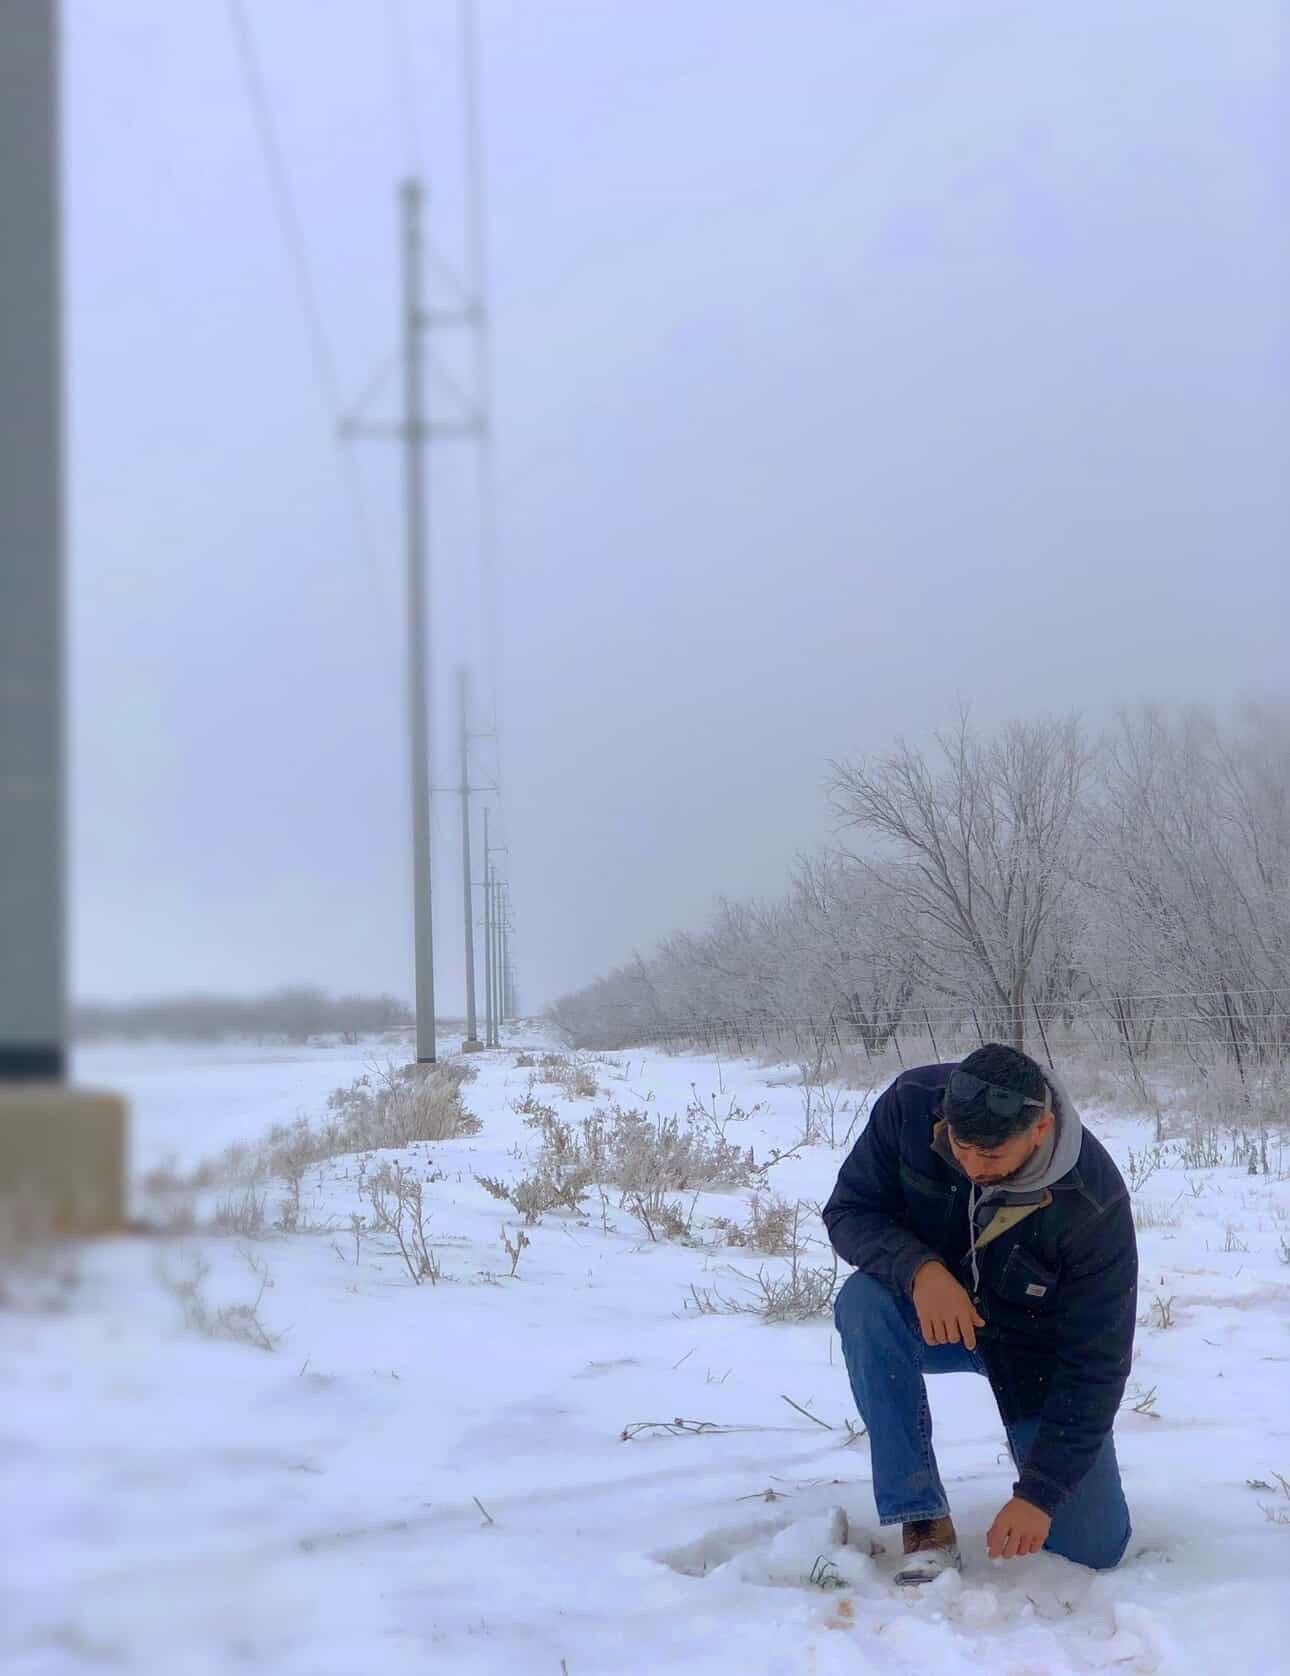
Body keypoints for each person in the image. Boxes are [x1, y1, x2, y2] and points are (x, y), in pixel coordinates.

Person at [822, 1042, 1136, 1585]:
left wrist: (1039, 1494)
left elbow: (1097, 1363)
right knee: (864, 1303)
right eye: (960, 1146)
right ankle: (921, 1514)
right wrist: (920, 1269)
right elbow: (849, 1210)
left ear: (1040, 1130)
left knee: (1093, 1548)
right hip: (935, 1316)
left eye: (990, 1158)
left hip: (1033, 1354)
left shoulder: (1094, 1201)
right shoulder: (911, 1103)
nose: (970, 1167)